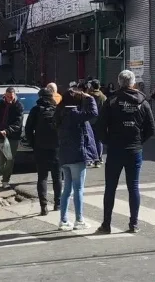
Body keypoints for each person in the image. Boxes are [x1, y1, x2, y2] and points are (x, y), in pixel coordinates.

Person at [97, 70, 155, 234]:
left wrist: (108, 141)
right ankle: (133, 224)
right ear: (133, 83)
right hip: (134, 150)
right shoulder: (142, 101)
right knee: (133, 187)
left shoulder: (112, 100)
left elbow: (100, 127)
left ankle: (106, 224)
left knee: (110, 187)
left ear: (119, 82)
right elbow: (151, 128)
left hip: (115, 149)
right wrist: (139, 141)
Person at [56, 89, 98, 230]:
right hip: (77, 155)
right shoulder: (74, 114)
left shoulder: (60, 113)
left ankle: (63, 220)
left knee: (67, 189)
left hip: (64, 156)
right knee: (78, 188)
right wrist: (90, 98)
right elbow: (93, 113)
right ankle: (79, 220)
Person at [25, 87, 61, 215]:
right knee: (57, 177)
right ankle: (58, 203)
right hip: (56, 148)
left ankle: (43, 207)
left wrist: (34, 144)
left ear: (40, 97)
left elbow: (28, 130)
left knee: (42, 177)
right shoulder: (57, 109)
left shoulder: (35, 110)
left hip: (40, 147)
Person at [0, 87, 24, 189]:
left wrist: (8, 130)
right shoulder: (0, 104)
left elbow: (18, 123)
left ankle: (5, 180)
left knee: (9, 159)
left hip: (13, 137)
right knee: (1, 161)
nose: (9, 99)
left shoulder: (18, 106)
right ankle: (4, 173)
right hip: (1, 136)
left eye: (11, 97)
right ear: (5, 95)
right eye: (7, 97)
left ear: (14, 95)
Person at [87, 79, 107, 167]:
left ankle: (91, 158)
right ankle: (98, 159)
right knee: (98, 141)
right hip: (100, 121)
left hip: (90, 120)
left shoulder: (88, 96)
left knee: (90, 140)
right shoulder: (103, 97)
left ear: (91, 86)